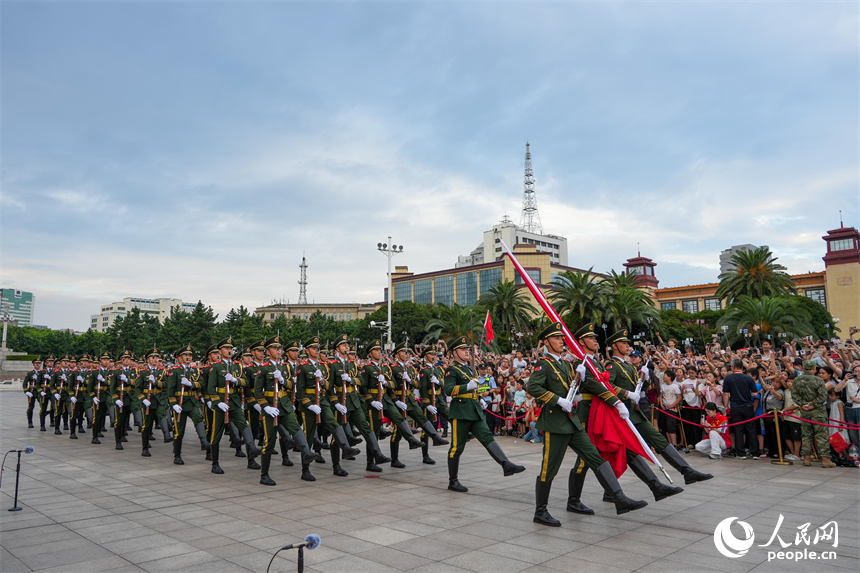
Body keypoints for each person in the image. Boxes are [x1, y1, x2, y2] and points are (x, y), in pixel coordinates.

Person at [528, 323, 648, 526]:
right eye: (557, 339)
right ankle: (540, 511)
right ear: (547, 342)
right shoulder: (545, 364)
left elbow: (571, 389)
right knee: (549, 468)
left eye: (561, 338)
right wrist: (558, 400)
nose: (561, 342)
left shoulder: (567, 365)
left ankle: (619, 498)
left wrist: (576, 392)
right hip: (554, 423)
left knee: (595, 457)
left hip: (571, 421)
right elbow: (533, 386)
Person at [444, 335, 525, 493]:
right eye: (463, 349)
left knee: (487, 436)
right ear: (454, 353)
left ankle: (506, 464)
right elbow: (448, 390)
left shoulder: (470, 368)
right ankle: (452, 481)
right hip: (460, 411)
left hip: (474, 409)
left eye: (467, 349)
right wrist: (466, 387)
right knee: (456, 448)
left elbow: (474, 389)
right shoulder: (452, 370)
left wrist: (480, 398)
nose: (467, 352)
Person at [296, 335, 361, 474]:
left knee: (334, 423)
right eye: (313, 348)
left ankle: (345, 448)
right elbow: (300, 392)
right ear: (307, 351)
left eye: (317, 348)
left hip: (323, 401)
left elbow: (329, 386)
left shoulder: (324, 367)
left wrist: (322, 382)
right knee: (308, 436)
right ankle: (305, 470)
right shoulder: (303, 367)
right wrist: (309, 405)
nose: (316, 350)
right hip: (309, 404)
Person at [328, 334, 391, 475]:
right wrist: (336, 403)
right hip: (341, 403)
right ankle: (336, 466)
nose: (347, 347)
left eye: (348, 345)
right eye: (344, 345)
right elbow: (328, 388)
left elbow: (361, 381)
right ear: (337, 348)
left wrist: (351, 379)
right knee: (337, 435)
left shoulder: (352, 364)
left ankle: (377, 455)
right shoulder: (332, 366)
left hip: (354, 402)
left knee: (366, 428)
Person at [207, 338, 262, 474]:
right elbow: (210, 388)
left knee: (245, 426)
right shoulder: (216, 367)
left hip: (235, 401)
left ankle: (251, 453)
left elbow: (246, 382)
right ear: (220, 351)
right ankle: (215, 463)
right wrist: (217, 402)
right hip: (221, 403)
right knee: (217, 432)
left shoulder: (237, 366)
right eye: (226, 348)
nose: (229, 350)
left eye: (231, 348)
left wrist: (235, 380)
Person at [166, 345, 210, 465]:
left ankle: (204, 441)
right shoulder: (174, 371)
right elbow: (169, 390)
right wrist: (173, 404)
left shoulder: (195, 370)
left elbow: (201, 384)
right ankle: (177, 455)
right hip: (180, 403)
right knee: (179, 430)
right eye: (186, 355)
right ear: (179, 358)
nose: (188, 357)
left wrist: (191, 384)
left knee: (199, 418)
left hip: (192, 400)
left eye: (190, 355)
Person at [790, 360, 836, 468]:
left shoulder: (797, 380)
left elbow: (794, 395)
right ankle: (825, 460)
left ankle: (806, 459)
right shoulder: (819, 380)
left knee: (806, 435)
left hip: (805, 411)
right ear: (814, 369)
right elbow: (823, 396)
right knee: (821, 436)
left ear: (804, 368)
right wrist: (813, 404)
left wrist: (804, 404)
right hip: (818, 411)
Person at [722, 359, 761, 459]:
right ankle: (755, 453)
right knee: (751, 429)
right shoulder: (749, 378)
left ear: (733, 367)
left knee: (738, 430)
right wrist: (746, 394)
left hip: (735, 407)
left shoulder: (728, 378)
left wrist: (726, 406)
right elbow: (755, 393)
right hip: (748, 406)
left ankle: (741, 453)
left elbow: (726, 393)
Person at [22, 356, 43, 429]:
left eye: (39, 363)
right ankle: (30, 422)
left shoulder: (42, 373)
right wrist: (26, 391)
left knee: (42, 406)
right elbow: (25, 384)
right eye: (36, 363)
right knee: (30, 407)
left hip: (40, 391)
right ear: (33, 364)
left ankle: (43, 423)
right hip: (32, 391)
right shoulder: (30, 373)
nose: (38, 365)